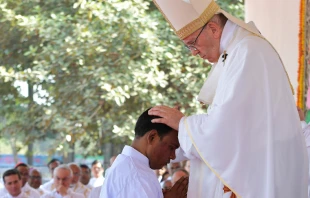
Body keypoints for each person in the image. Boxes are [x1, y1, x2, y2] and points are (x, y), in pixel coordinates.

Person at [149, 0, 308, 197]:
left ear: (214, 29)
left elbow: (224, 129)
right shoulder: (238, 50)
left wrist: (183, 124)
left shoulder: (246, 51)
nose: (194, 53)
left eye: (192, 43)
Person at [100, 108, 188, 198]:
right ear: (152, 137)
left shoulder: (129, 167)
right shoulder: (137, 176)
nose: (173, 156)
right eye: (171, 147)